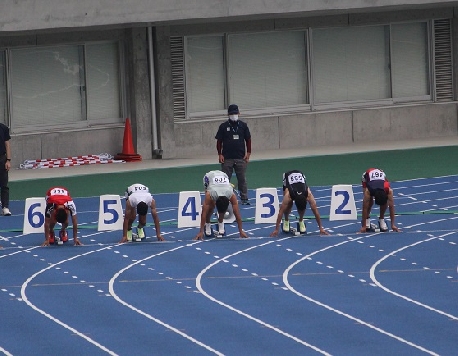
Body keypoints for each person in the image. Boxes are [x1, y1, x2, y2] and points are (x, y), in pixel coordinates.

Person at [270, 170, 329, 237]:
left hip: (300, 175)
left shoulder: (308, 195)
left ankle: (301, 220)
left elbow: (316, 211)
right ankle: (286, 220)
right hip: (288, 177)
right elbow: (281, 212)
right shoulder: (288, 195)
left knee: (304, 208)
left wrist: (321, 228)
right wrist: (276, 229)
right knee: (288, 205)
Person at [194, 170, 248, 240]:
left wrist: (241, 231)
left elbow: (238, 215)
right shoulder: (209, 194)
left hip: (223, 175)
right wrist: (200, 231)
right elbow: (204, 213)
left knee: (222, 210)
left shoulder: (231, 195)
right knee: (210, 207)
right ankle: (207, 223)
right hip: (209, 177)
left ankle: (221, 222)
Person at [215, 104, 252, 205]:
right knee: (224, 179)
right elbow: (219, 141)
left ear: (239, 113)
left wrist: (248, 153)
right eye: (232, 114)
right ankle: (223, 198)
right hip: (227, 158)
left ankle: (244, 198)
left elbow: (248, 139)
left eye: (235, 113)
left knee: (242, 179)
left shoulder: (243, 126)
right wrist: (220, 154)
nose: (234, 115)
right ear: (228, 114)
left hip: (241, 157)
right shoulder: (223, 126)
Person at [360, 168, 400, 233]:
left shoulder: (389, 190)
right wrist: (364, 226)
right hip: (367, 177)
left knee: (385, 203)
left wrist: (393, 225)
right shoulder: (368, 191)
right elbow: (364, 208)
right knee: (369, 202)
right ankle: (367, 218)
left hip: (381, 178)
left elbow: (391, 207)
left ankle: (381, 219)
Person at [0, 123, 11, 216]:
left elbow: (7, 145)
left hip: (2, 159)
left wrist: (8, 160)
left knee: (4, 184)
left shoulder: (3, 128)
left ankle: (5, 207)